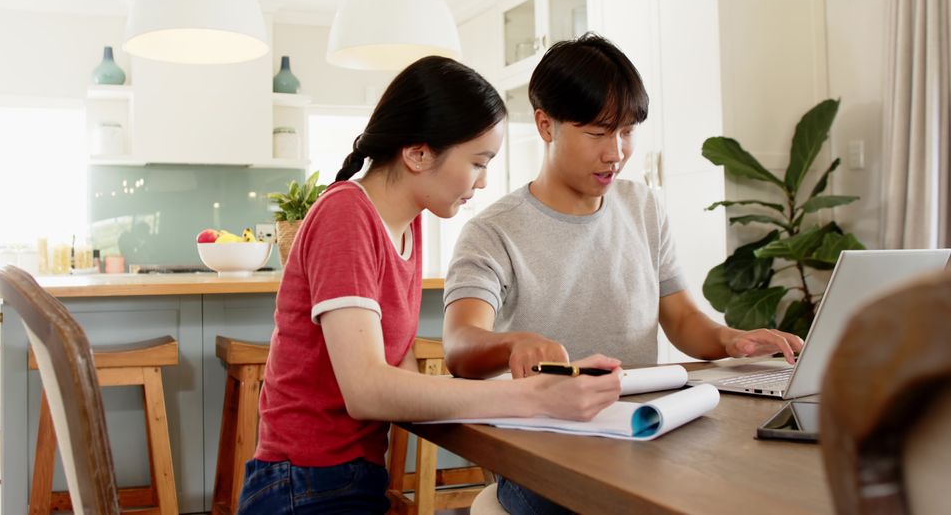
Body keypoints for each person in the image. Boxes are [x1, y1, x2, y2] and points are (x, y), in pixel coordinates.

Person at [237, 56, 625, 514]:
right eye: (478, 162)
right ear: (418, 153)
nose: (482, 183)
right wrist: (531, 398)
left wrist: (545, 391)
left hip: (351, 478)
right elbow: (366, 390)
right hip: (300, 485)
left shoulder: (406, 226)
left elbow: (399, 379)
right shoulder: (345, 214)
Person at [442, 34, 806, 514]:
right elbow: (459, 346)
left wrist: (730, 340)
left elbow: (681, 319)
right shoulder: (492, 231)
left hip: (643, 429)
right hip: (548, 449)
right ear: (545, 125)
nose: (617, 152)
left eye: (628, 131)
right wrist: (512, 343)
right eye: (598, 132)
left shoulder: (644, 208)